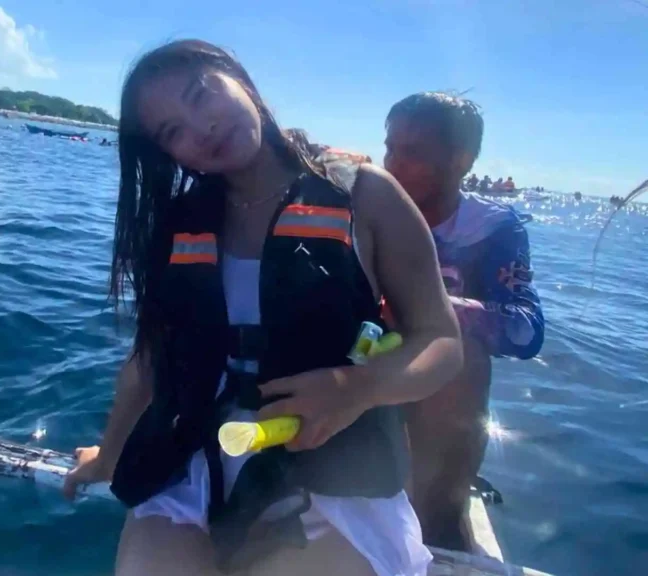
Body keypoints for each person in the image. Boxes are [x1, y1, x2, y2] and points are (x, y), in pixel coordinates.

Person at [62, 40, 463, 576]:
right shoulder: (181, 221)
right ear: (168, 154)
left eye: (201, 95)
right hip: (197, 466)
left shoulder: (366, 194)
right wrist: (108, 458)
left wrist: (358, 388)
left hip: (335, 477)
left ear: (240, 79)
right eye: (172, 131)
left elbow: (442, 341)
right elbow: (148, 361)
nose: (200, 127)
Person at [383, 92, 545, 552]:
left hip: (431, 386)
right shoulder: (369, 208)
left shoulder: (492, 229)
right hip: (360, 366)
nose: (392, 163)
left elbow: (526, 331)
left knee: (462, 354)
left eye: (411, 152)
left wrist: (435, 308)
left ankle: (440, 522)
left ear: (460, 160)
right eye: (389, 147)